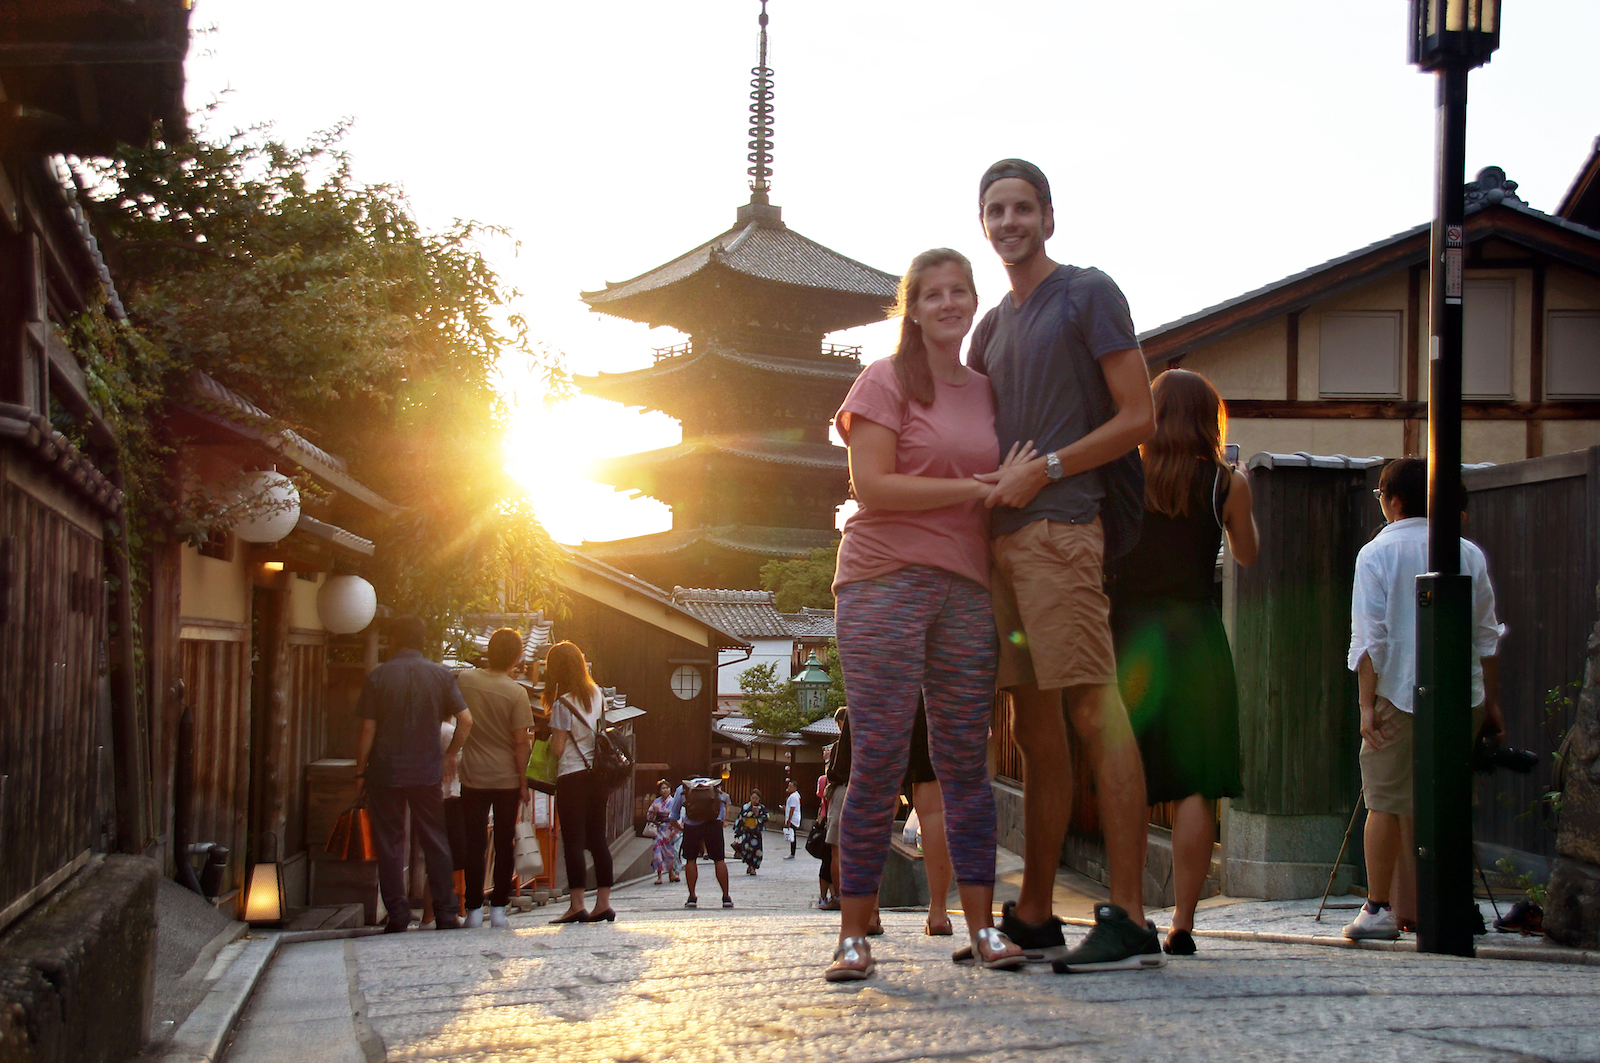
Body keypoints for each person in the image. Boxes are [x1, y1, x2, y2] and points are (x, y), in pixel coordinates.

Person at [968, 158, 1164, 973]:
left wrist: (1045, 467)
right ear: (983, 224)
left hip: (1062, 530)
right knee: (1034, 732)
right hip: (1000, 548)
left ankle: (1129, 915)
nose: (1009, 221)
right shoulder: (990, 328)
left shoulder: (1087, 293)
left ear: (1048, 216)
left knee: (1095, 709)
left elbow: (1139, 415)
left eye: (1022, 207)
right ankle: (1039, 911)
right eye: (995, 210)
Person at [826, 247, 1031, 982]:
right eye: (934, 293)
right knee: (879, 755)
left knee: (963, 764)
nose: (949, 302)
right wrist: (978, 486)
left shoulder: (986, 391)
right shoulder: (884, 380)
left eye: (960, 290)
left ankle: (983, 928)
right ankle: (854, 932)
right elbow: (873, 486)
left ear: (972, 301)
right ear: (912, 308)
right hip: (883, 579)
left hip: (965, 587)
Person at [1109, 370, 1258, 955]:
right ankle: (1184, 924)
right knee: (1196, 783)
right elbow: (1246, 555)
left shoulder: (1126, 475)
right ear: (1206, 418)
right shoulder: (1226, 483)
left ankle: (1133, 912)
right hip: (1195, 636)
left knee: (1130, 774)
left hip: (1131, 640)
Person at [1344, 457, 1503, 940]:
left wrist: (1366, 705)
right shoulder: (1466, 553)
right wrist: (1489, 702)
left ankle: (1379, 908)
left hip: (1396, 690)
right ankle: (1445, 901)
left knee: (1386, 802)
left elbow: (1370, 639)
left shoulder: (1376, 554)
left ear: (1392, 499)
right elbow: (1487, 638)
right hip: (1460, 696)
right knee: (1446, 800)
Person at [354, 616, 472, 933]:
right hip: (427, 769)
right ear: (422, 643)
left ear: (394, 641)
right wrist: (450, 755)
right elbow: (466, 719)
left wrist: (360, 770)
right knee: (434, 839)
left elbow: (368, 728)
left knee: (391, 842)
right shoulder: (441, 675)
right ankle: (446, 913)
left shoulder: (378, 677)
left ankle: (397, 914)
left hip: (385, 769)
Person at [456, 628, 534, 929]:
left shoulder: (466, 680)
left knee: (473, 842)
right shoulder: (517, 693)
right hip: (506, 779)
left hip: (473, 773)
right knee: (504, 840)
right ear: (516, 657)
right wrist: (524, 781)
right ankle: (499, 906)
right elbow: (520, 742)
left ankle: (473, 908)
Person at [545, 641, 616, 924]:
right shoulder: (597, 694)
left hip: (572, 777)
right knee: (598, 839)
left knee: (573, 841)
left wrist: (549, 739)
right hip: (597, 777)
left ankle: (577, 904)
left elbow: (559, 749)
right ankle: (603, 903)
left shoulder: (563, 704)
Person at [669, 777, 733, 909]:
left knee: (691, 860)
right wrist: (719, 822)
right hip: (713, 825)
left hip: (692, 826)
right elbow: (720, 809)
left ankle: (692, 896)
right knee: (719, 860)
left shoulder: (683, 788)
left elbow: (673, 816)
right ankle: (726, 896)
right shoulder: (714, 787)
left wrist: (681, 828)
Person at [647, 780, 681, 885]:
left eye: (667, 788)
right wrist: (654, 811)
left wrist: (675, 829)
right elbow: (649, 816)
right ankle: (659, 876)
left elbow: (678, 815)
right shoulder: (656, 802)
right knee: (657, 852)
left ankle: (671, 873)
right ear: (659, 791)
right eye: (663, 788)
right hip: (659, 829)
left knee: (670, 853)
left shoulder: (673, 802)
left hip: (669, 829)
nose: (665, 790)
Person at [732, 789, 769, 875]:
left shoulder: (761, 808)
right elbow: (740, 818)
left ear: (759, 799)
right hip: (747, 831)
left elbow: (766, 817)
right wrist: (738, 831)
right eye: (753, 798)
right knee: (746, 850)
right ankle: (749, 865)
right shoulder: (745, 807)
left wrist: (757, 815)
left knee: (756, 851)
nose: (754, 800)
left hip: (755, 832)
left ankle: (753, 868)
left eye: (756, 798)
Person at [782, 779, 802, 859]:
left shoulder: (793, 796)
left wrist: (789, 820)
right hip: (794, 817)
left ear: (795, 787)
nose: (788, 788)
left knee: (792, 835)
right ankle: (792, 852)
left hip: (793, 818)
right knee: (792, 835)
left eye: (790, 786)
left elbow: (792, 809)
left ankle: (792, 852)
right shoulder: (795, 795)